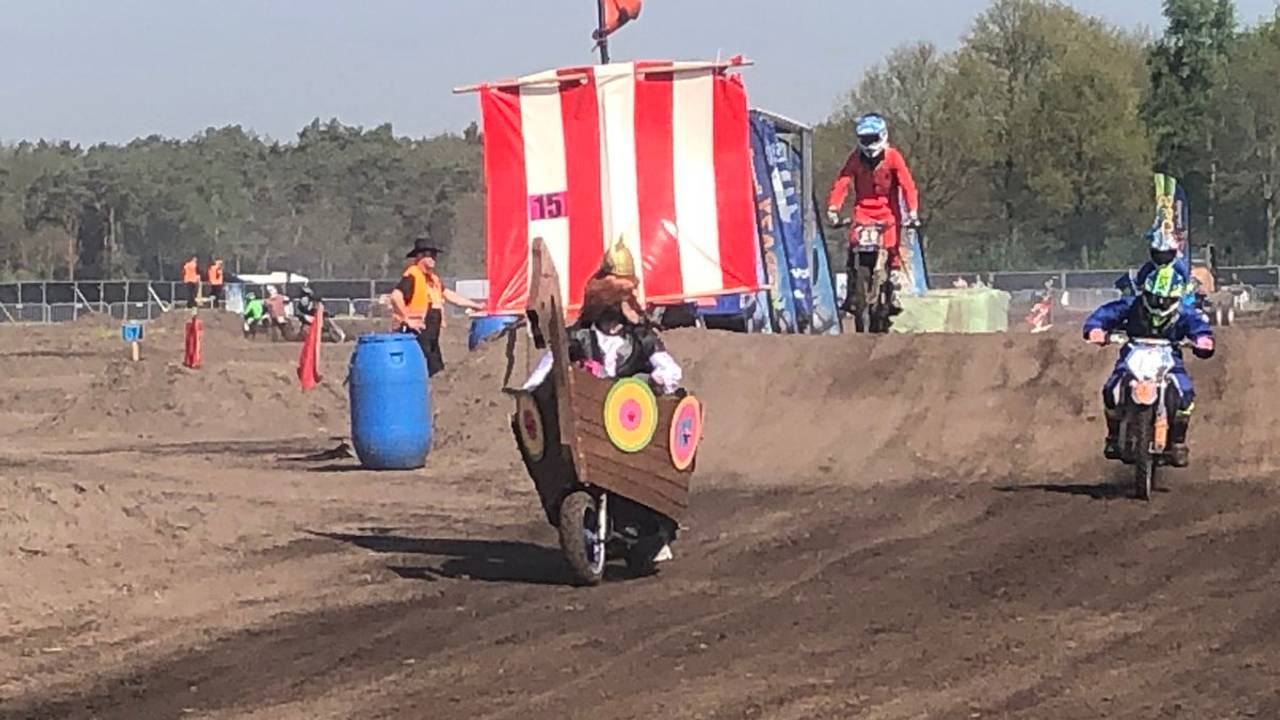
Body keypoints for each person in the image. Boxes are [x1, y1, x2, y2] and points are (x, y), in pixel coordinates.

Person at [1083, 265, 1215, 467]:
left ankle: (1178, 441)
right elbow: (1105, 314)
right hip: (1134, 352)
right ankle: (1113, 434)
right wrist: (1096, 329)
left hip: (1169, 356)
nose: (1160, 303)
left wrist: (1203, 339)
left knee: (1185, 394)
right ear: (1146, 292)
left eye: (1166, 299)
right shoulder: (1132, 304)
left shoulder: (1184, 312)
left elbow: (1199, 326)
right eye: (1155, 297)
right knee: (1111, 389)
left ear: (1176, 297)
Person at [522, 237, 683, 396]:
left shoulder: (642, 339)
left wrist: (651, 382)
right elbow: (540, 376)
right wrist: (528, 396)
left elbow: (672, 372)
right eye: (620, 299)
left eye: (627, 299)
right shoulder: (576, 337)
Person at [826, 113, 921, 311]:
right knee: (853, 245)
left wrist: (912, 211)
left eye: (873, 139)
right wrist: (833, 208)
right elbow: (842, 181)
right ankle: (852, 288)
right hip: (863, 212)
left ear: (883, 136)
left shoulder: (893, 157)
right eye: (865, 139)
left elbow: (907, 184)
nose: (869, 144)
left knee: (893, 245)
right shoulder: (855, 158)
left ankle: (894, 285)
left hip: (889, 212)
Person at [390, 235, 483, 377]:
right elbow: (396, 296)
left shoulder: (433, 279)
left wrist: (475, 305)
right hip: (415, 333)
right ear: (419, 256)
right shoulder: (413, 275)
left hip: (431, 335)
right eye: (430, 254)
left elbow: (449, 295)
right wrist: (407, 319)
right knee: (420, 368)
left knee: (437, 370)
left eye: (435, 255)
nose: (434, 258)